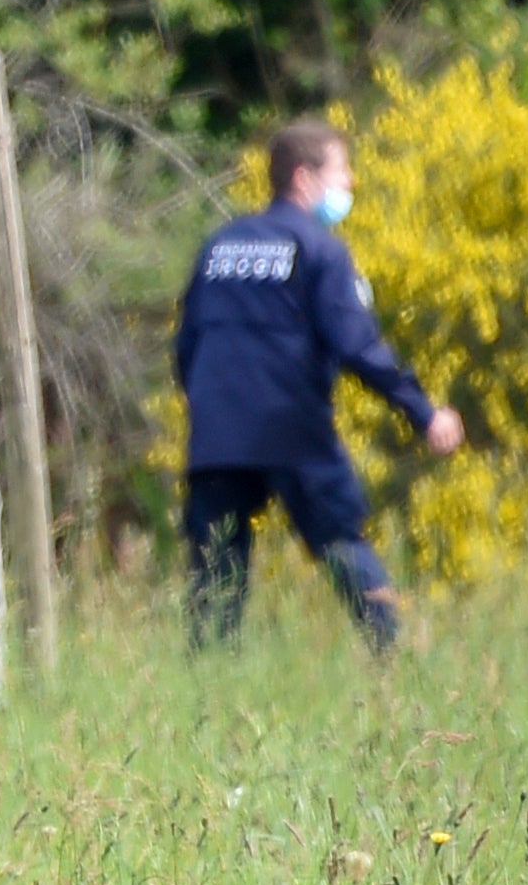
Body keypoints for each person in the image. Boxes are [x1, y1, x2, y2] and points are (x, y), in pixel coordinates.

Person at [174, 119, 464, 652]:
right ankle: (395, 664)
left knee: (215, 576)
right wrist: (424, 412)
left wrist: (213, 406)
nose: (350, 183)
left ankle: (207, 691)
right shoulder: (320, 250)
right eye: (341, 170)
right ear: (304, 178)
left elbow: (186, 347)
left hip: (218, 436)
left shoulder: (218, 247)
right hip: (293, 429)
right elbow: (358, 346)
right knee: (340, 540)